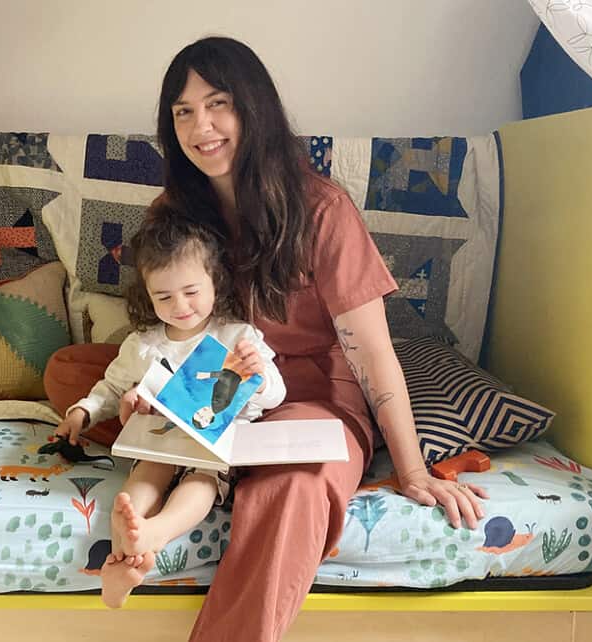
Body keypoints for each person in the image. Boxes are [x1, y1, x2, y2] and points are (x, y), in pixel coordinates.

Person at [119, 36, 489, 641]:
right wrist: (140, 392)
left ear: (254, 108)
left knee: (292, 485)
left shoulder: (321, 209)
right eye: (183, 112)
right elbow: (156, 327)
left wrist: (413, 469)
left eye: (218, 104)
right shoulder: (172, 212)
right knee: (75, 370)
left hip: (308, 398)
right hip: (204, 387)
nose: (200, 127)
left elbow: (372, 355)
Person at [54, 210, 286, 609]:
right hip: (161, 439)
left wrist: (260, 376)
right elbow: (110, 387)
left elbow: (277, 396)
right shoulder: (143, 345)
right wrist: (83, 412)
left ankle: (155, 534)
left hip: (214, 446)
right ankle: (123, 555)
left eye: (191, 292)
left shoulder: (237, 335)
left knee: (202, 481)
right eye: (164, 297)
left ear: (215, 282)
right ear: (147, 295)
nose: (180, 305)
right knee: (142, 479)